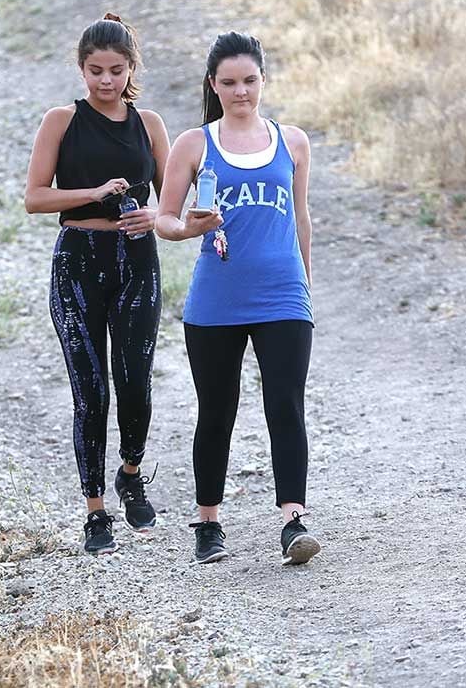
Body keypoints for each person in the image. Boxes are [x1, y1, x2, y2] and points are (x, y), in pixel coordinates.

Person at [155, 31, 321, 566]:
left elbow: (302, 218)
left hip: (284, 297)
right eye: (229, 82)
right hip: (216, 301)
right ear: (213, 85)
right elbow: (164, 218)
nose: (240, 91)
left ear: (263, 80)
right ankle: (208, 523)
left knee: (285, 405)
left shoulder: (292, 141)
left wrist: (306, 289)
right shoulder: (193, 144)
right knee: (218, 409)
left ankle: (293, 522)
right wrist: (187, 229)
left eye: (249, 80)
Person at [25, 13, 170, 555]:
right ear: (81, 68)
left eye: (115, 70)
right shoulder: (62, 120)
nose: (105, 81)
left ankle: (130, 474)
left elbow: (174, 196)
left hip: (137, 258)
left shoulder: (150, 123)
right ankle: (94, 511)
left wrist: (154, 216)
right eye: (94, 71)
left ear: (131, 68)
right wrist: (93, 192)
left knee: (135, 382)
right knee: (91, 392)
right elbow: (35, 197)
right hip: (78, 261)